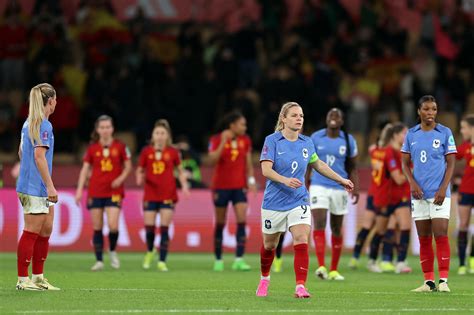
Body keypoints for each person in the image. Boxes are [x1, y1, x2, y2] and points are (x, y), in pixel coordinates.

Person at [255, 102, 353, 298]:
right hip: (274, 202)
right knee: (269, 245)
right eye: (294, 115)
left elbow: (318, 165)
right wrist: (285, 180)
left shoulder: (307, 142)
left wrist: (341, 179)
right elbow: (266, 170)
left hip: (298, 200)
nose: (299, 118)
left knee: (301, 238)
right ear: (283, 119)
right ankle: (264, 278)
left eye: (301, 115)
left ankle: (300, 286)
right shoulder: (272, 141)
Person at [401, 95, 456, 292]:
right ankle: (428, 281)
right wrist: (412, 183)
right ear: (419, 111)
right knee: (423, 238)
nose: (430, 113)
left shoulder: (445, 132)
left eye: (433, 109)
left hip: (440, 193)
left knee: (440, 234)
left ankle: (443, 281)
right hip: (418, 194)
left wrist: (443, 188)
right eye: (426, 109)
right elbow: (405, 163)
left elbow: (451, 163)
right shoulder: (411, 134)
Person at [16, 83, 60, 290]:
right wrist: (50, 186)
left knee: (46, 228)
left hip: (34, 185)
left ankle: (38, 277)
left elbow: (21, 152)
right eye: (55, 100)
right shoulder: (43, 125)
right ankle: (23, 279)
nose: (56, 103)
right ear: (50, 101)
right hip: (35, 187)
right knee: (32, 230)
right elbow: (38, 156)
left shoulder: (29, 123)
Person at [75, 115, 132, 271]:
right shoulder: (92, 148)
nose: (105, 130)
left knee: (113, 225)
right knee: (97, 226)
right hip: (95, 191)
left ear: (112, 129)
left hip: (114, 191)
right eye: (102, 127)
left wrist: (120, 179)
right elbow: (84, 170)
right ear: (97, 130)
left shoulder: (120, 146)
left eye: (108, 127)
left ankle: (112, 250)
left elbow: (128, 167)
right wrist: (79, 190)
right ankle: (99, 260)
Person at [309, 108, 359, 281]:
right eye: (331, 115)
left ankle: (334, 270)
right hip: (318, 185)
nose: (334, 118)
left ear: (342, 121)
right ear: (326, 118)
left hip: (340, 187)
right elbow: (310, 162)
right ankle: (321, 266)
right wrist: (306, 181)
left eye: (337, 116)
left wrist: (356, 187)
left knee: (336, 228)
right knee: (319, 223)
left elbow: (352, 166)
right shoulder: (315, 137)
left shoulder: (348, 140)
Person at [136, 119, 190, 271]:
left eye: (162, 133)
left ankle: (162, 260)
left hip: (167, 193)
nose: (160, 136)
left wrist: (184, 186)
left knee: (164, 228)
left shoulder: (173, 152)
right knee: (149, 228)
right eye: (157, 133)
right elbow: (139, 168)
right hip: (150, 193)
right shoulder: (146, 151)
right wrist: (139, 176)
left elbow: (180, 171)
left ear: (167, 136)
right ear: (153, 136)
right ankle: (150, 250)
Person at [208, 111, 257, 271]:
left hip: (239, 187)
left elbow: (248, 163)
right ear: (232, 125)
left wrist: (251, 180)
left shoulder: (246, 140)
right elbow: (212, 160)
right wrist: (223, 141)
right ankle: (218, 259)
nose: (245, 127)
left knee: (242, 220)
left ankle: (239, 259)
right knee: (220, 223)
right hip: (221, 187)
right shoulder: (216, 139)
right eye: (242, 124)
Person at [379, 123, 412, 274]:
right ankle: (385, 260)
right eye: (404, 133)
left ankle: (400, 261)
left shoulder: (405, 152)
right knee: (389, 228)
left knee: (404, 227)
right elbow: (398, 178)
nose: (406, 137)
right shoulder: (390, 153)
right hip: (389, 196)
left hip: (403, 196)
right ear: (395, 135)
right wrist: (411, 170)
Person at [349, 144, 377, 268]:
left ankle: (377, 259)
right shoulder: (377, 150)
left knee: (386, 229)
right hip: (377, 194)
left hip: (393, 196)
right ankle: (356, 256)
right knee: (368, 227)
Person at [455, 114, 474, 275]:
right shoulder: (465, 146)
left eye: (463, 128)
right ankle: (462, 264)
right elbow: (453, 156)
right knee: (463, 225)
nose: (462, 131)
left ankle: (473, 261)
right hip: (466, 190)